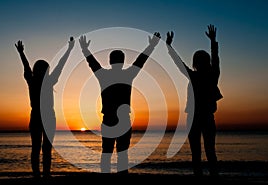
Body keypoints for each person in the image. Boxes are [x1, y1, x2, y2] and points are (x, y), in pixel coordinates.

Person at [79, 32, 161, 173]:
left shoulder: (104, 75)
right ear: (122, 61)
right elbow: (140, 61)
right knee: (121, 154)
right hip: (120, 120)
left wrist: (85, 50)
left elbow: (92, 63)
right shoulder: (127, 74)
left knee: (107, 154)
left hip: (110, 120)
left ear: (110, 61)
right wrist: (151, 46)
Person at [166, 25, 223, 176]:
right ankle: (211, 176)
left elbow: (180, 64)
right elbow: (180, 64)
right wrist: (213, 42)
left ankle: (204, 175)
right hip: (200, 118)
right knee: (207, 151)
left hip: (197, 118)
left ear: (196, 63)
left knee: (199, 152)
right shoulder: (209, 75)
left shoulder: (207, 76)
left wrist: (169, 46)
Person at [15, 36, 75, 178]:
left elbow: (60, 65)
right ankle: (38, 175)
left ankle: (45, 175)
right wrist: (22, 53)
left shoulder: (46, 82)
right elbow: (26, 67)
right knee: (38, 148)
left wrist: (69, 50)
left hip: (46, 117)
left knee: (44, 149)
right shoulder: (35, 81)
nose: (42, 72)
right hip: (38, 117)